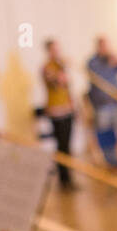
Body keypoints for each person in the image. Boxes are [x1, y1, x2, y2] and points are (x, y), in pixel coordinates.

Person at [42, 39, 75, 190]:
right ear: (49, 51)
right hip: (56, 112)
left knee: (67, 146)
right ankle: (64, 181)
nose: (57, 52)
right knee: (61, 147)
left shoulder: (60, 66)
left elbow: (67, 87)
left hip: (67, 110)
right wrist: (61, 72)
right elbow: (56, 83)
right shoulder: (47, 68)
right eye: (53, 50)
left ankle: (69, 179)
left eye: (58, 49)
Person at [86, 36, 117, 136]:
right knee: (104, 132)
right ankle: (106, 151)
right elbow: (96, 75)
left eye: (106, 46)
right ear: (98, 47)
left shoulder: (111, 59)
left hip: (115, 101)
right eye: (103, 46)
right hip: (102, 104)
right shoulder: (93, 62)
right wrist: (108, 63)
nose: (105, 48)